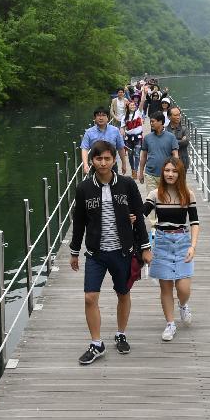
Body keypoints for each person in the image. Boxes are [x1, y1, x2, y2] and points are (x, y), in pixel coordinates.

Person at [70, 140, 152, 364]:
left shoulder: (126, 184)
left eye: (107, 158)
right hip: (96, 253)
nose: (103, 163)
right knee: (89, 297)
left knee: (123, 293)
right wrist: (74, 251)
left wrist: (145, 248)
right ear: (92, 161)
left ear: (114, 159)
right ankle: (96, 344)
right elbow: (78, 222)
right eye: (98, 159)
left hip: (122, 251)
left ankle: (121, 333)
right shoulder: (84, 189)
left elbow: (139, 217)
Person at [143, 157, 200, 341]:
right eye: (167, 170)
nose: (170, 174)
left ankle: (183, 306)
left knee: (183, 288)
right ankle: (170, 324)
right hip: (162, 241)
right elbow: (142, 211)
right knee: (166, 287)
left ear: (180, 173)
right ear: (162, 172)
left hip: (182, 241)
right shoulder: (155, 194)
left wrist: (192, 246)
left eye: (174, 171)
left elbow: (194, 222)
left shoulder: (187, 194)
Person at [138, 111, 178, 193]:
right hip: (150, 174)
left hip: (166, 174)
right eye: (150, 122)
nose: (151, 124)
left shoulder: (171, 137)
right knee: (152, 200)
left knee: (165, 199)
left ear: (160, 122)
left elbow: (175, 155)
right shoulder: (147, 138)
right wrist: (141, 172)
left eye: (153, 121)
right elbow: (144, 156)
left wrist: (175, 171)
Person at [81, 107, 128, 176]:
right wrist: (85, 164)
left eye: (103, 115)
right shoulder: (89, 132)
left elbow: (120, 148)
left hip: (111, 164)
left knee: (114, 185)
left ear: (108, 118)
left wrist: (124, 163)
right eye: (98, 115)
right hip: (96, 165)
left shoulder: (115, 131)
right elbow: (84, 148)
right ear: (95, 118)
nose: (101, 118)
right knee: (96, 185)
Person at [122, 98, 144, 180]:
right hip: (128, 138)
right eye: (131, 105)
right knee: (130, 154)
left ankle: (136, 170)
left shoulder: (138, 113)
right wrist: (121, 138)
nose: (133, 106)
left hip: (138, 137)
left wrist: (144, 93)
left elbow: (142, 102)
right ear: (127, 107)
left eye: (134, 105)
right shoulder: (124, 117)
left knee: (137, 154)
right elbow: (122, 128)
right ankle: (132, 169)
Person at [167, 106, 190, 171]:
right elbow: (166, 144)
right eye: (175, 115)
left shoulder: (184, 129)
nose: (178, 117)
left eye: (179, 114)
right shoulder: (165, 130)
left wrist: (171, 142)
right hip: (169, 162)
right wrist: (181, 140)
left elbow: (186, 142)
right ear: (169, 117)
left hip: (183, 161)